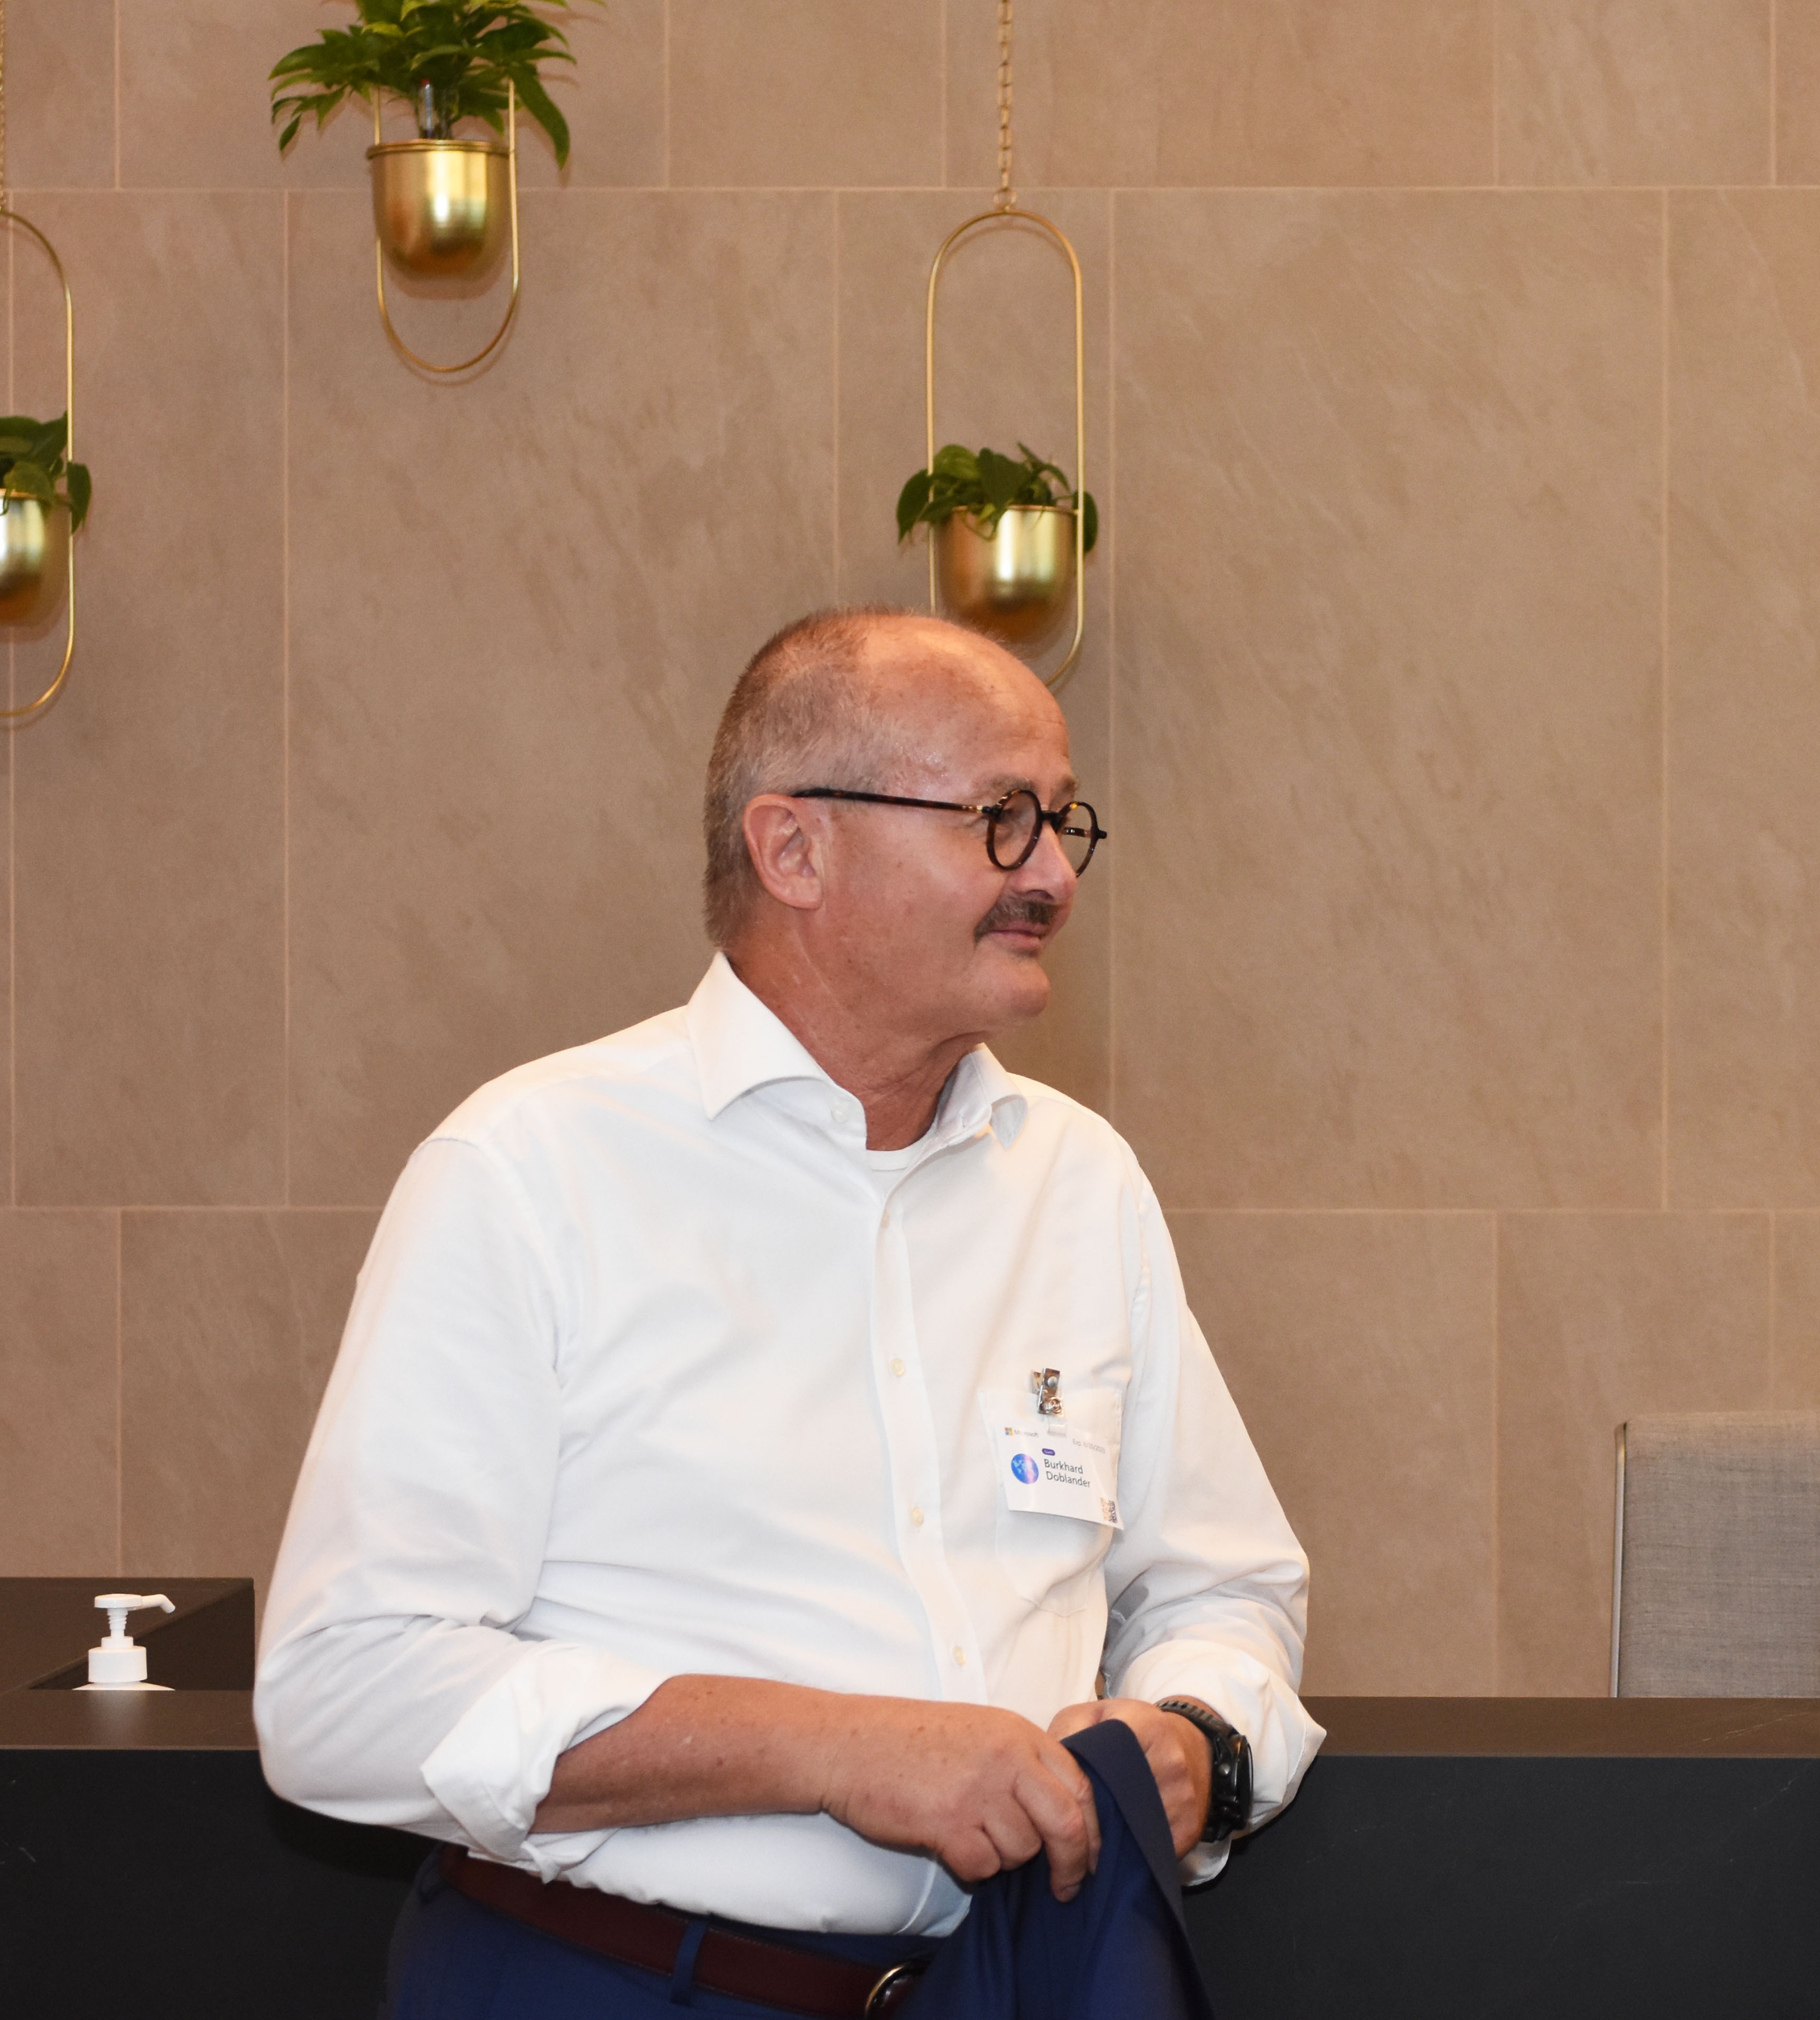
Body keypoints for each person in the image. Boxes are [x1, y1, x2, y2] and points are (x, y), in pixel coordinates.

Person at [258, 608, 1318, 2017]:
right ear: (794, 848)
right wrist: (831, 1748)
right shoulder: (530, 1169)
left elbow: (1219, 1588)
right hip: (611, 1983)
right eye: (1000, 818)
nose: (1055, 875)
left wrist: (1195, 1737)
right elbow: (344, 1694)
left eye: (1063, 821)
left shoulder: (1080, 1180)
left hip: (1008, 1982)